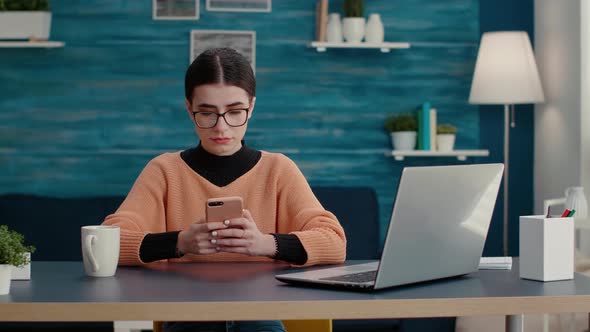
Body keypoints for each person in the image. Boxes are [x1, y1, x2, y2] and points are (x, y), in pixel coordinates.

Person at [102, 47, 347, 332]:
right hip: (188, 317)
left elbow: (334, 241)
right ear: (188, 108)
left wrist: (266, 244)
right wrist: (179, 243)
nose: (221, 127)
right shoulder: (164, 171)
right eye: (207, 113)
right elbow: (108, 243)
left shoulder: (278, 170)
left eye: (234, 112)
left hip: (261, 314)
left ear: (251, 107)